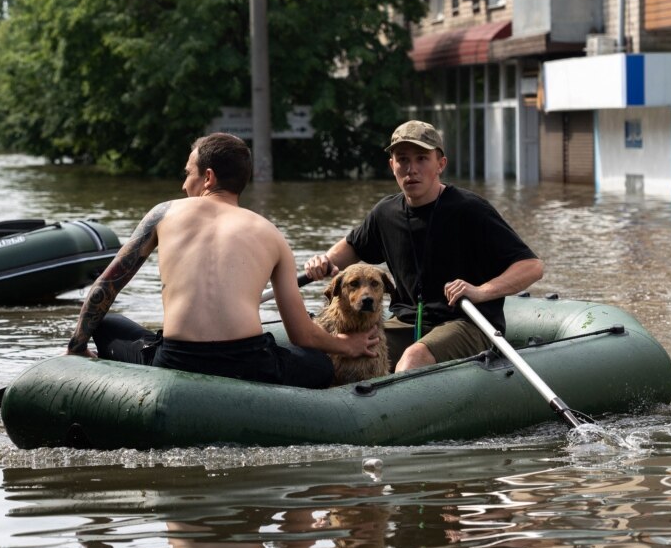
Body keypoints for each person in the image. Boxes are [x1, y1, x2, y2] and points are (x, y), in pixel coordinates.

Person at [66, 132, 379, 389]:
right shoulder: (271, 234)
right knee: (318, 365)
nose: (183, 184)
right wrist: (346, 346)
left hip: (177, 360)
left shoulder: (163, 214)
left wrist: (77, 347)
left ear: (208, 177)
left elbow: (104, 288)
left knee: (105, 323)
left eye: (188, 174)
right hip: (249, 364)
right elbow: (302, 335)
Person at [304, 119, 544, 373]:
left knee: (413, 358)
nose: (411, 169)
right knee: (339, 349)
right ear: (392, 166)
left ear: (440, 164)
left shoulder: (470, 209)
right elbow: (346, 252)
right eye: (403, 159)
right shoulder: (385, 213)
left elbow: (532, 266)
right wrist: (323, 262)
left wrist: (480, 291)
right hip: (407, 321)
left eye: (421, 159)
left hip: (467, 322)